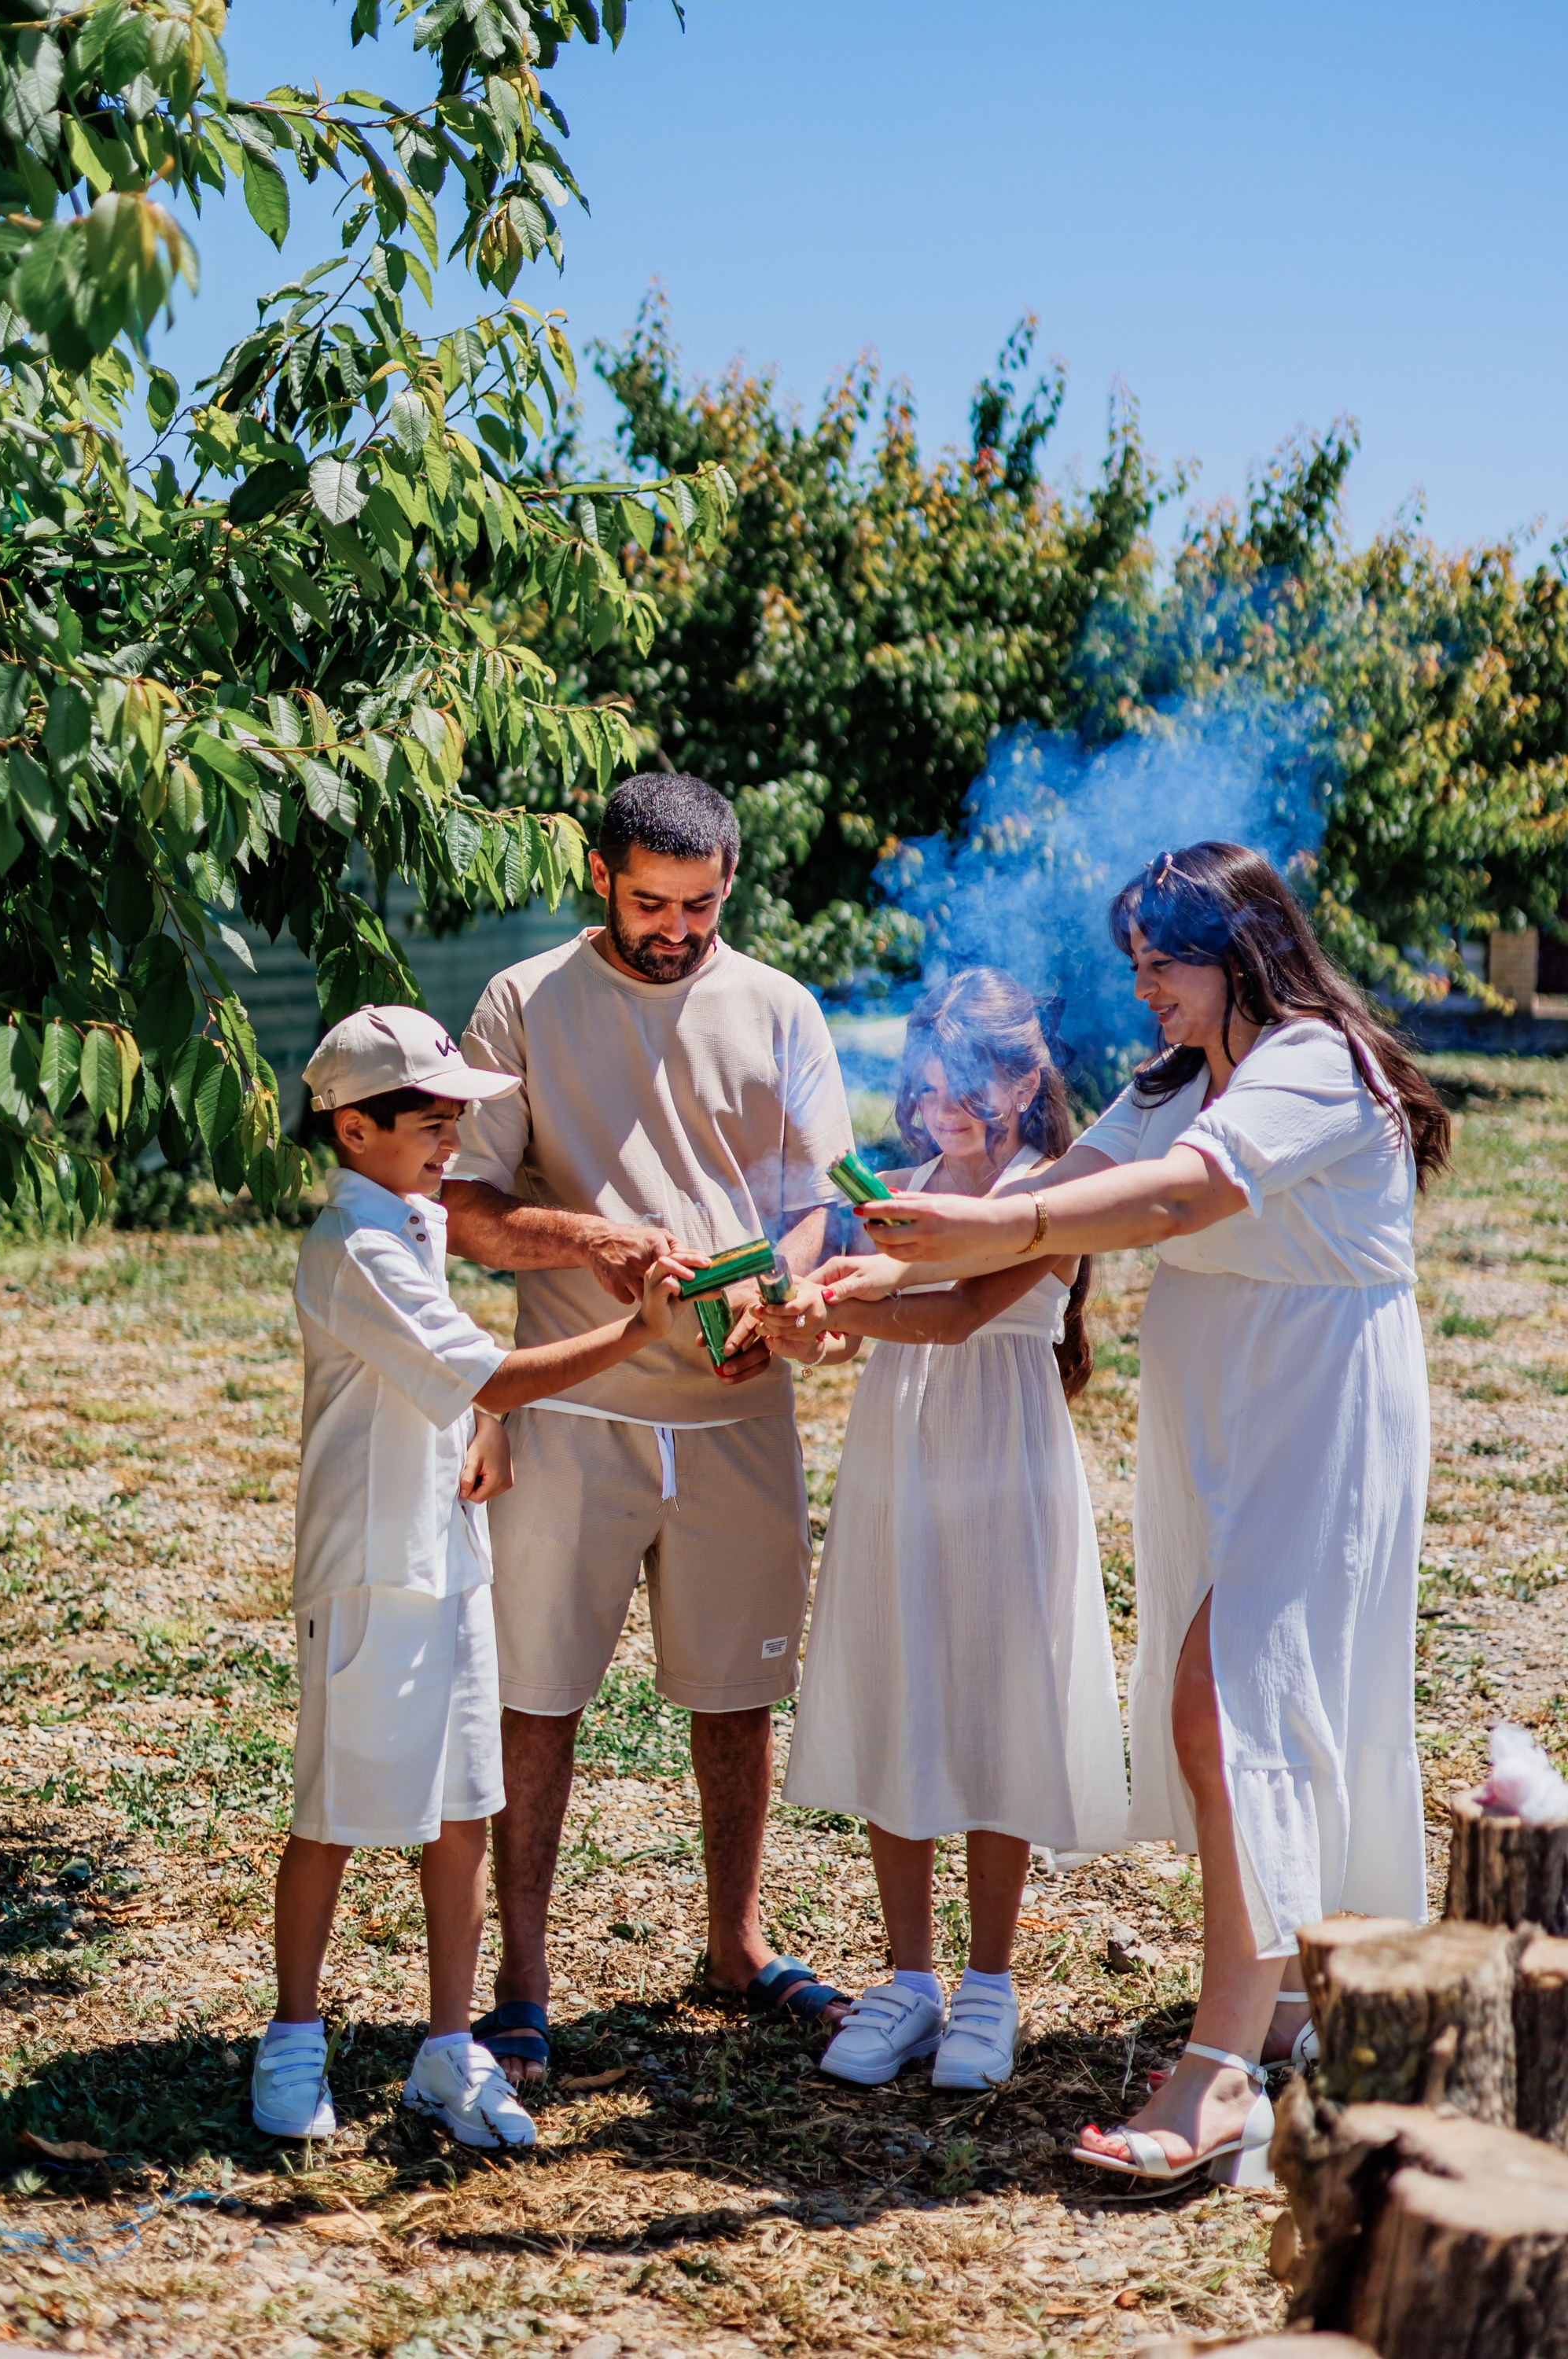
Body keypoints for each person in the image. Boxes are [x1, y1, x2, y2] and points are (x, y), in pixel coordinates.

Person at [827, 844, 1448, 2188]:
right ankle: (1281, 2002)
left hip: (1320, 1405)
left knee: (1224, 1703)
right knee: (1246, 1706)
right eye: (1135, 965)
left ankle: (1217, 2072)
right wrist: (862, 1277)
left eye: (1162, 963)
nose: (1144, 990)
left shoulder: (1313, 1063)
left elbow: (1182, 1196)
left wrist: (1001, 1214)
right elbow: (1035, 1234)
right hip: (1221, 1414)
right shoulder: (1173, 1079)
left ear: (1239, 951)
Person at [440, 773, 857, 2085]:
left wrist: (780, 1291)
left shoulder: (782, 1006)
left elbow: (814, 1200)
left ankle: (735, 1947)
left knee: (738, 1696)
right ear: (599, 878)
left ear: (732, 881)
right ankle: (520, 1983)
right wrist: (595, 1238)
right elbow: (467, 1208)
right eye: (649, 902)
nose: (675, 928)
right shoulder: (521, 1002)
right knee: (535, 1696)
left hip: (739, 1407)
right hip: (572, 1398)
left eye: (701, 904)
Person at [252, 1004, 690, 2151]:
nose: (453, 1142)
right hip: (368, 1571)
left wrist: (472, 1437)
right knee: (334, 1814)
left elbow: (449, 1384)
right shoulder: (351, 1247)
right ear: (353, 1130)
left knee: (462, 1806)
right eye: (432, 1122)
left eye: (459, 1121)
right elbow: (488, 1373)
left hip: (447, 1555)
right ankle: (294, 2037)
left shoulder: (411, 1222)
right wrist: (636, 1333)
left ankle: (450, 2048)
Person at [756, 970, 1128, 2092]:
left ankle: (990, 1983)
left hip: (1004, 1464)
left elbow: (960, 1309)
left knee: (996, 1693)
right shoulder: (902, 1185)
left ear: (1023, 1081)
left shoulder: (1050, 1193)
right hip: (901, 1459)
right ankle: (910, 1978)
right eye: (920, 1088)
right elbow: (847, 1337)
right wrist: (796, 1317)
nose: (934, 1110)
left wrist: (852, 1293)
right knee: (903, 1682)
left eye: (961, 1088)